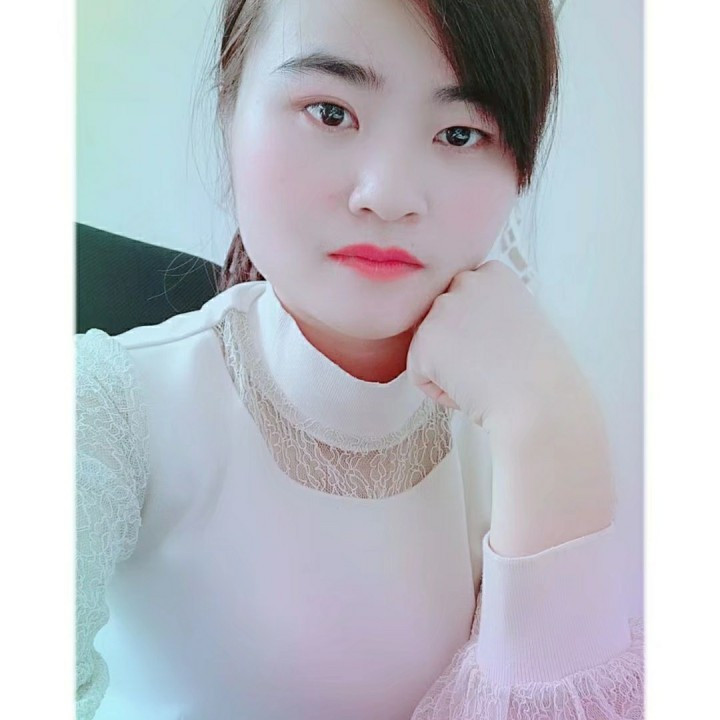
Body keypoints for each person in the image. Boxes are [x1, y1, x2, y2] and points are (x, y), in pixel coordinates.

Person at [75, 0, 644, 718]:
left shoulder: (541, 404)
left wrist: (544, 425)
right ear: (230, 111)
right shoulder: (108, 407)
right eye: (331, 113)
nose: (389, 195)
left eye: (460, 132)